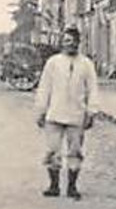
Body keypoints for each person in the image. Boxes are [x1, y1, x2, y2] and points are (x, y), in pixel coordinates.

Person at [33, 25, 98, 200]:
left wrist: (91, 112)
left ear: (78, 42)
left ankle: (72, 186)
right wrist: (40, 110)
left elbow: (92, 89)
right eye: (66, 41)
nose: (70, 44)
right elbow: (44, 88)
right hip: (54, 114)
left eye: (73, 41)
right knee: (53, 150)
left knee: (75, 151)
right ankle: (53, 185)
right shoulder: (53, 63)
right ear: (62, 43)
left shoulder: (86, 64)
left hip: (76, 115)